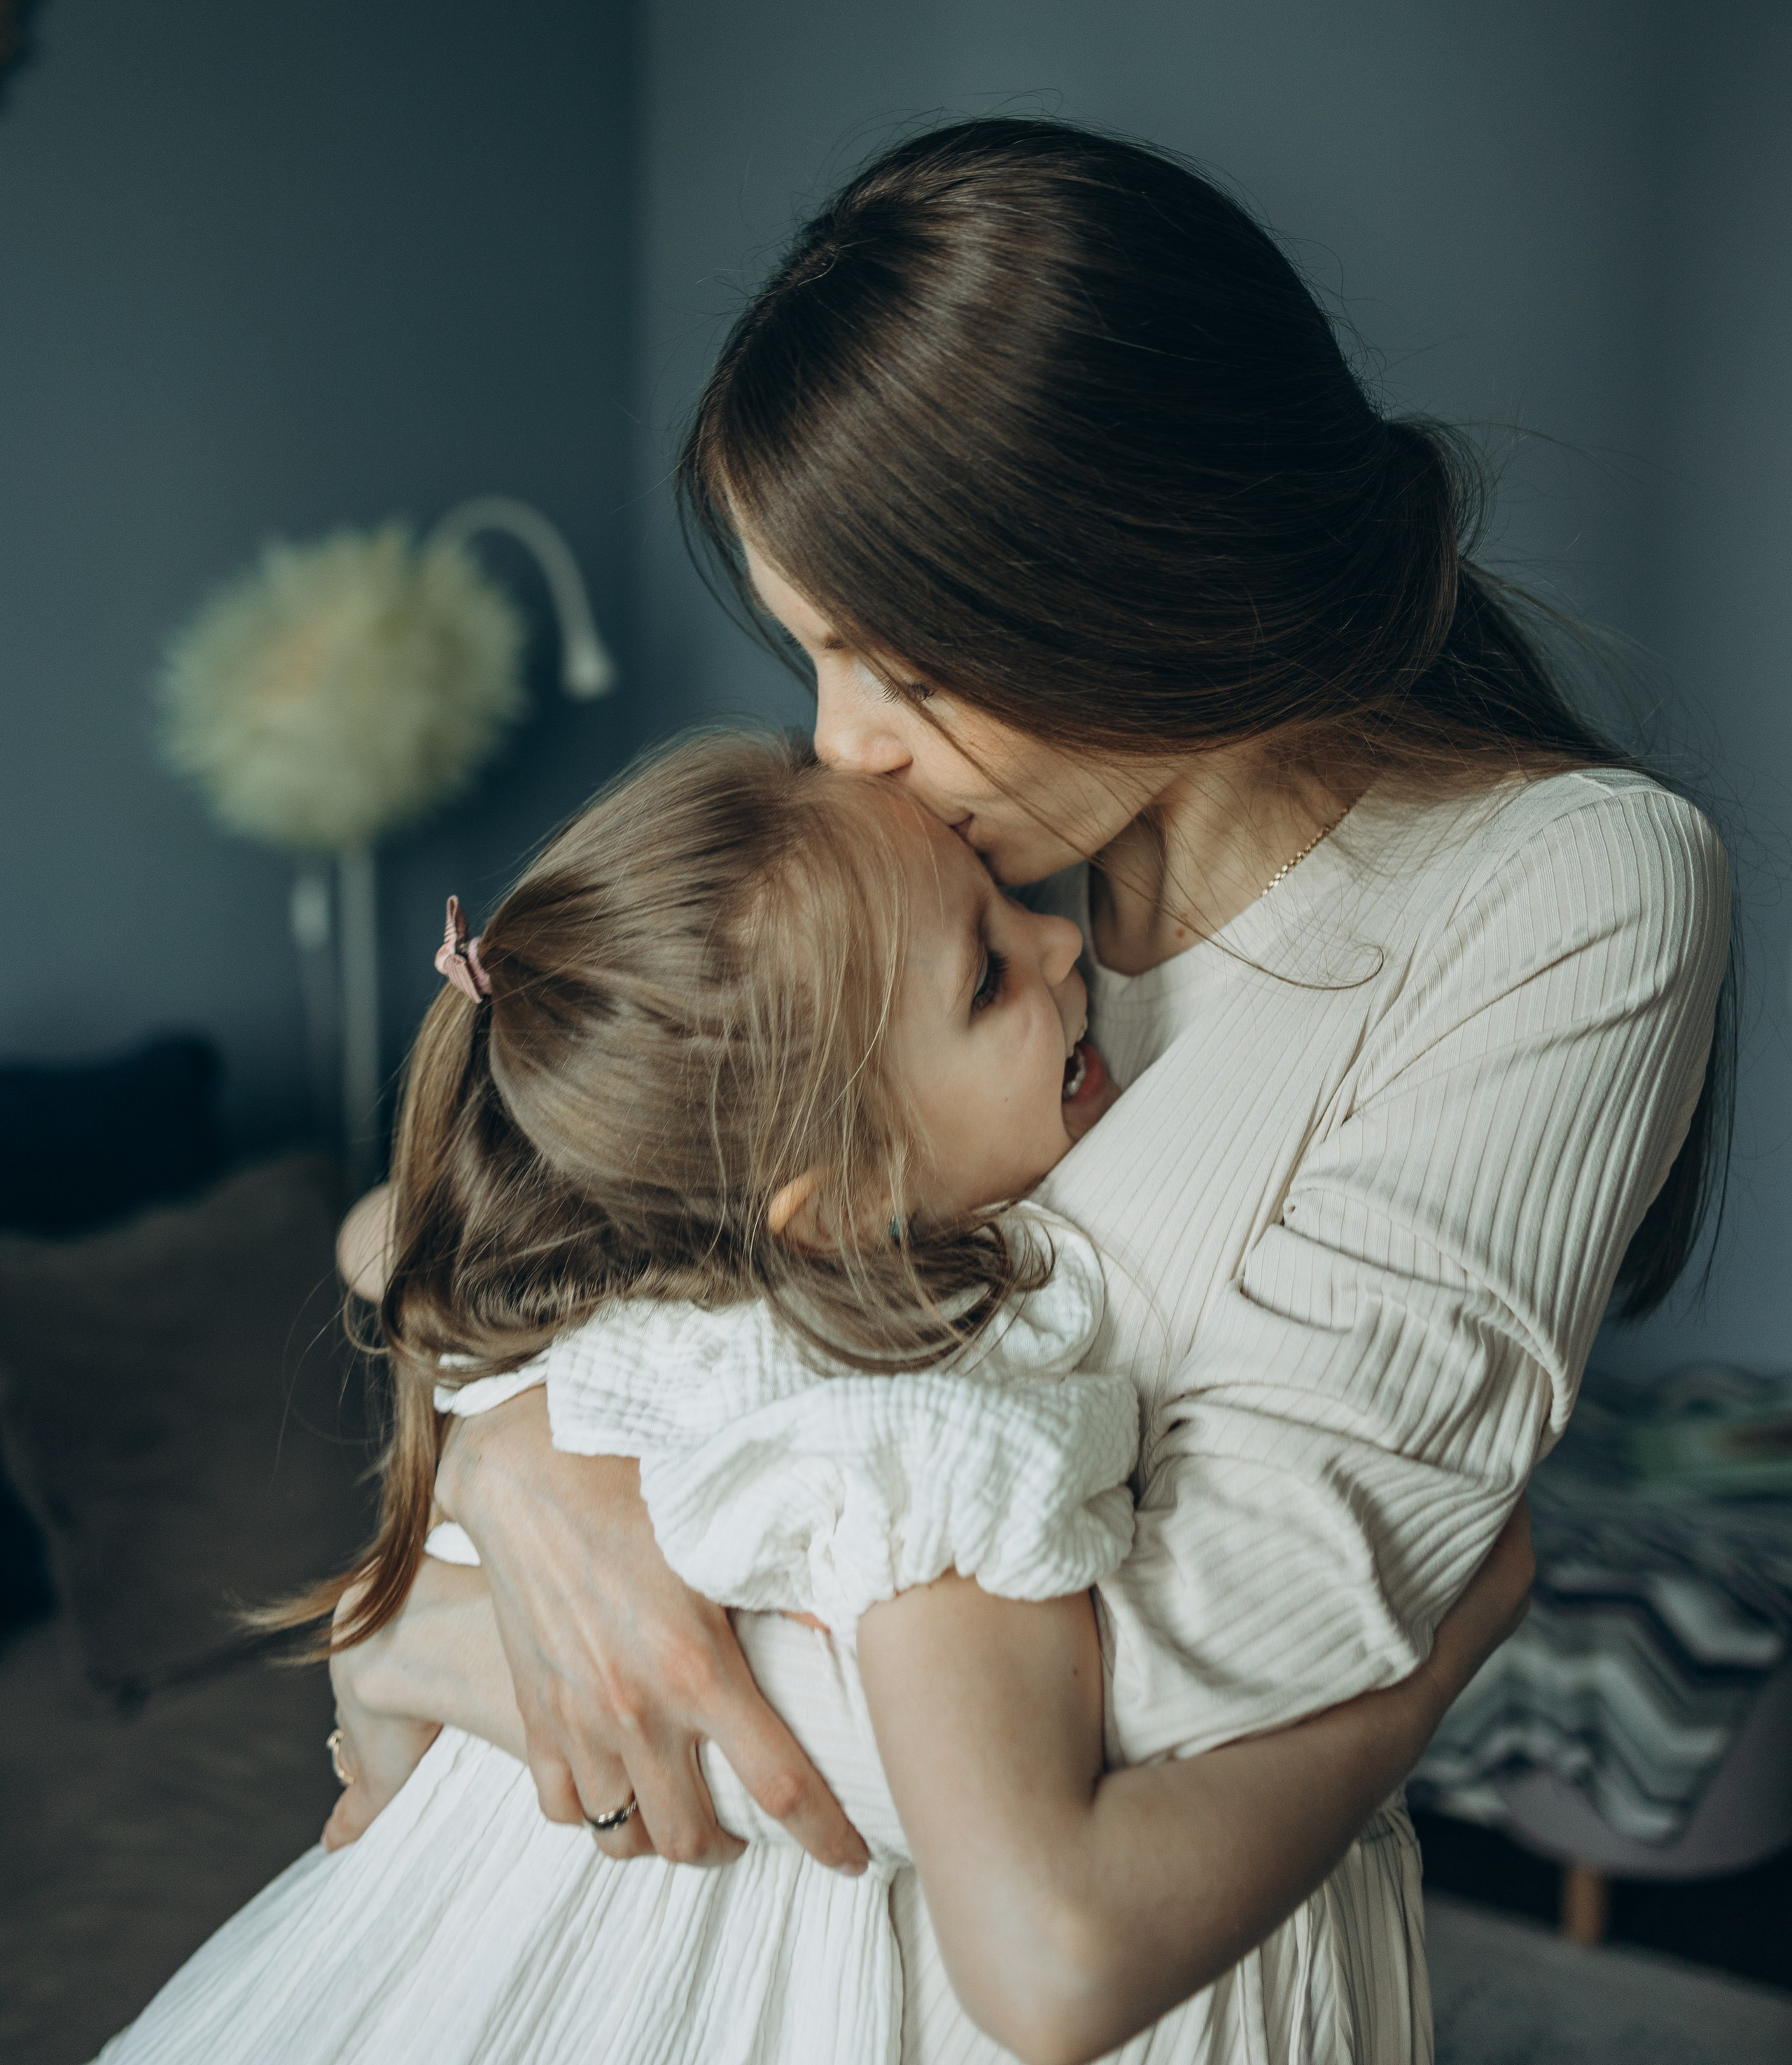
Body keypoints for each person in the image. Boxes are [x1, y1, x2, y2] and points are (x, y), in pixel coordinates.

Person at [370, 120, 1732, 2065]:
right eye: (811, 655)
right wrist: (525, 1463)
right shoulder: (955, 862)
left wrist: (487, 1619)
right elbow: (548, 1180)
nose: (840, 748)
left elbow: (1198, 1683)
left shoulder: (1564, 889)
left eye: (895, 663)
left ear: (1130, 578)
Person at [92, 734, 1530, 2065]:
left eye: (1003, 901)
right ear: (832, 1205)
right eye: (983, 979)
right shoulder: (898, 1417)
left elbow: (388, 1262)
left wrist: (399, 1700)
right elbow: (1045, 1964)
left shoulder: (601, 1297)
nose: (1056, 939)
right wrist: (1419, 1672)